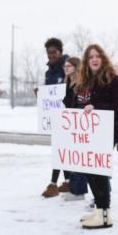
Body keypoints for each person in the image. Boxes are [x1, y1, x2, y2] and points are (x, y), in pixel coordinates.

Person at [72, 44, 118, 229]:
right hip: (89, 133)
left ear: (103, 59)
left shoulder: (115, 81)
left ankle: (105, 214)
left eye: (97, 56)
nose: (94, 59)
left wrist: (96, 108)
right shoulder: (86, 82)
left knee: (99, 170)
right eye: (90, 57)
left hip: (107, 131)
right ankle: (98, 209)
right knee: (89, 168)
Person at [41, 37, 69, 198]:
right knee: (60, 149)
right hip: (56, 115)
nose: (51, 55)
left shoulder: (67, 67)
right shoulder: (49, 72)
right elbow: (49, 94)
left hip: (68, 114)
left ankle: (54, 183)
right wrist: (41, 94)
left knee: (62, 149)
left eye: (54, 52)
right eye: (48, 52)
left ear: (60, 52)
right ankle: (67, 180)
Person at [60, 57, 89, 201]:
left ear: (76, 67)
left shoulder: (81, 83)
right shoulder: (67, 83)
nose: (65, 68)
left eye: (69, 66)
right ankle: (73, 188)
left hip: (80, 125)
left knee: (80, 159)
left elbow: (80, 103)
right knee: (72, 158)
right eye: (64, 66)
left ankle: (79, 191)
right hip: (71, 124)